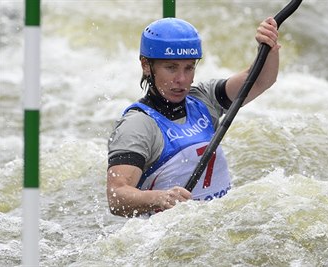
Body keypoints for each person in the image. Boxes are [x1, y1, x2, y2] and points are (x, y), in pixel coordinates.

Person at [106, 16, 280, 217]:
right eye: (171, 68)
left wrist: (268, 48)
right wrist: (160, 197)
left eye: (189, 68)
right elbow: (116, 197)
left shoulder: (203, 100)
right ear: (146, 65)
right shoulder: (138, 124)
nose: (181, 79)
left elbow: (259, 81)